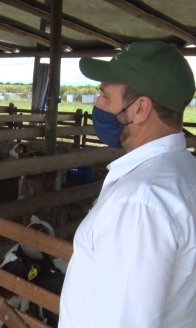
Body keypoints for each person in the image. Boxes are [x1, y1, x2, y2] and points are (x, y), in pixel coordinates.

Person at [59, 41, 196, 327]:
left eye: (105, 96)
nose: (97, 106)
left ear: (140, 109)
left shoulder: (139, 202)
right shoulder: (184, 171)